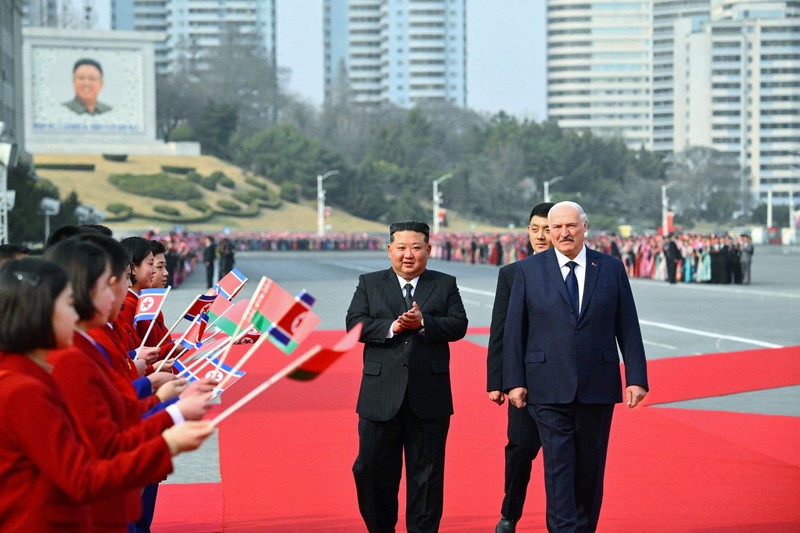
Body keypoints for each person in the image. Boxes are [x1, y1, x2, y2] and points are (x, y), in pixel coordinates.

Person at [0, 257, 213, 532]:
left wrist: (170, 412)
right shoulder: (24, 388)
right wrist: (169, 440)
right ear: (39, 314)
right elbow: (83, 475)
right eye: (68, 305)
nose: (75, 315)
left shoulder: (30, 374)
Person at [504, 201, 649, 533]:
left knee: (590, 469)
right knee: (558, 469)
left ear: (585, 227)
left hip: (597, 384)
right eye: (556, 227)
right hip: (546, 386)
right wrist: (513, 381)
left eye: (570, 226)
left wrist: (636, 377)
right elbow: (514, 331)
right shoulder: (528, 270)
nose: (563, 233)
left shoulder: (610, 268)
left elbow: (627, 324)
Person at [345, 220, 468, 533]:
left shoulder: (444, 284)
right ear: (389, 250)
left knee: (426, 477)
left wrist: (424, 323)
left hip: (429, 395)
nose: (408, 254)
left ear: (429, 250)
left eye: (416, 247)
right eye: (401, 247)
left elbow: (459, 325)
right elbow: (354, 324)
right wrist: (393, 326)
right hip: (379, 395)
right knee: (370, 470)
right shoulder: (370, 283)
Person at [487, 202, 554, 533]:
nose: (540, 236)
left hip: (564, 382)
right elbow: (500, 331)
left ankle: (562, 521)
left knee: (562, 457)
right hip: (524, 382)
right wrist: (497, 381)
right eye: (534, 229)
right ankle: (509, 515)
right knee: (520, 450)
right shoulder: (512, 274)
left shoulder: (578, 274)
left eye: (547, 229)